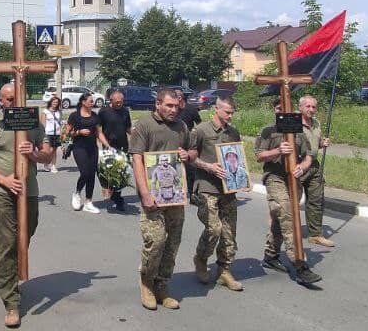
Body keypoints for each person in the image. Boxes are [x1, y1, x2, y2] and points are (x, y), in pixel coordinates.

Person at [0, 83, 55, 328]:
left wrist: (34, 154)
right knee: (4, 246)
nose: (12, 102)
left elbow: (48, 154)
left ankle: (11, 279)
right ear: (0, 100)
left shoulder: (33, 122)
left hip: (29, 193)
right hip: (1, 193)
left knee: (22, 241)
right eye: (7, 99)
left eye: (15, 98)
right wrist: (2, 179)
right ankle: (11, 302)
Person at [129, 87, 195, 310]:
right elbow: (136, 160)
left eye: (176, 106)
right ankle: (146, 282)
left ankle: (162, 285)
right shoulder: (145, 125)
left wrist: (188, 155)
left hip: (176, 196)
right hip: (153, 197)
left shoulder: (182, 126)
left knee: (172, 243)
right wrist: (145, 193)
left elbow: (192, 151)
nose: (174, 110)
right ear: (157, 104)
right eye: (169, 105)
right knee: (155, 241)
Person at [255, 99, 323, 284]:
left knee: (280, 216)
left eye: (284, 109)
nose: (281, 112)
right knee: (287, 211)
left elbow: (309, 154)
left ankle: (270, 255)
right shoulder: (268, 130)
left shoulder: (296, 129)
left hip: (293, 179)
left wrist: (303, 166)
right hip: (274, 176)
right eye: (278, 109)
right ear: (275, 110)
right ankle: (299, 263)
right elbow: (259, 156)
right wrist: (277, 150)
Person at [189, 97, 244, 291]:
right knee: (214, 228)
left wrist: (242, 178)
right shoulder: (201, 130)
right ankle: (201, 259)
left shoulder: (233, 132)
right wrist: (209, 167)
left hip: (228, 189)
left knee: (229, 232)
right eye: (227, 112)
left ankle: (224, 270)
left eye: (232, 112)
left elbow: (237, 156)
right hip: (207, 186)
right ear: (216, 109)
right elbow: (191, 157)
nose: (230, 115)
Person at [298, 95, 335, 247]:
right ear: (300, 107)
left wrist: (322, 143)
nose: (311, 110)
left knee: (316, 201)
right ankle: (285, 231)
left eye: (314, 107)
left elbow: (314, 144)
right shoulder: (292, 123)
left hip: (314, 165)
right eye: (308, 106)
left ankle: (315, 234)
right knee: (291, 202)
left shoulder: (317, 123)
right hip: (297, 166)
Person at [65, 92, 107, 214]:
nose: (92, 103)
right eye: (90, 101)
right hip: (79, 147)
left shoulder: (95, 116)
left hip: (92, 148)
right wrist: (78, 132)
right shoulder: (75, 116)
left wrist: (107, 145)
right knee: (85, 172)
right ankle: (77, 193)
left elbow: (99, 133)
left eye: (92, 101)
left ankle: (88, 202)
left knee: (92, 175)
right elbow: (67, 133)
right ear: (83, 102)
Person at [97, 88, 132, 210]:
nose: (120, 103)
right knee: (110, 174)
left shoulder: (125, 111)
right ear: (111, 100)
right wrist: (106, 144)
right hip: (109, 146)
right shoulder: (103, 111)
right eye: (117, 102)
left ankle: (118, 199)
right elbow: (98, 130)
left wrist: (137, 136)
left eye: (121, 101)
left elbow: (128, 128)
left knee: (122, 174)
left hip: (123, 146)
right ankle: (113, 192)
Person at [38, 96, 62, 173]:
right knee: (48, 150)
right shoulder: (45, 111)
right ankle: (46, 163)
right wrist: (42, 134)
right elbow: (42, 123)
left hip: (57, 133)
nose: (55, 104)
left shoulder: (58, 112)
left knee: (54, 150)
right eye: (54, 102)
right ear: (51, 102)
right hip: (48, 133)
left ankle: (54, 165)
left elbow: (60, 122)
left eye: (57, 102)